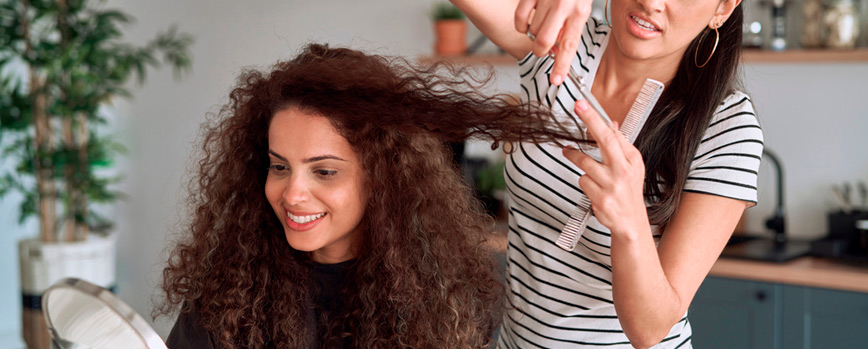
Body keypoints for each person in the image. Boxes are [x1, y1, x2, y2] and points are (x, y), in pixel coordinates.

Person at [154, 43, 585, 348]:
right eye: (279, 166)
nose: (292, 193)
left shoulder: (444, 300)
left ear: (382, 179)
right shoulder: (228, 297)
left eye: (324, 171)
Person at [451, 0, 763, 348]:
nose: (650, 3)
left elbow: (650, 329)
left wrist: (629, 223)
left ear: (722, 8)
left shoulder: (726, 125)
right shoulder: (564, 45)